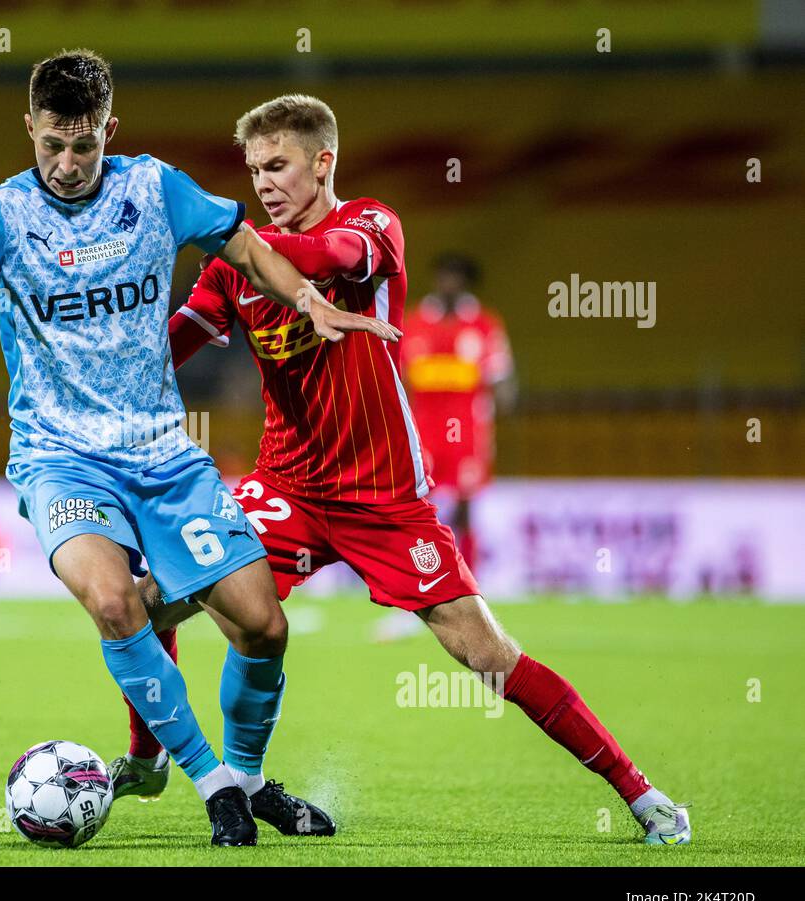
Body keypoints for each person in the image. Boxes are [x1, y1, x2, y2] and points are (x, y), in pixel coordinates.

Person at [110, 94, 690, 845]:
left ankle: (640, 794)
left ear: (325, 162)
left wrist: (228, 237)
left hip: (384, 497)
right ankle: (165, 762)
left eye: (279, 165)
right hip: (285, 486)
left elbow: (330, 259)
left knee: (487, 657)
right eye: (254, 170)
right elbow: (172, 343)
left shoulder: (371, 226)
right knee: (152, 603)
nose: (264, 183)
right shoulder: (237, 265)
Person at [0, 52, 395, 845]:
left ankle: (252, 778)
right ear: (29, 128)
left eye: (82, 146)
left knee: (263, 627)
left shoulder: (154, 188)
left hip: (162, 451)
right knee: (116, 600)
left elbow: (244, 245)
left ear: (108, 132)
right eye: (50, 144)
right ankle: (213, 781)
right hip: (60, 456)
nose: (64, 163)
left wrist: (306, 300)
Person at [401, 253, 515, 575]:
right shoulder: (415, 322)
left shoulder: (484, 324)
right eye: (444, 275)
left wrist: (503, 402)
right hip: (424, 429)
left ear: (465, 281)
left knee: (466, 502)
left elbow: (501, 374)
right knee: (422, 503)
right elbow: (401, 376)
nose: (449, 283)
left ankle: (468, 576)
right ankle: (424, 572)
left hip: (467, 429)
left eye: (456, 276)